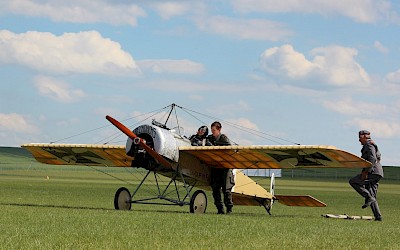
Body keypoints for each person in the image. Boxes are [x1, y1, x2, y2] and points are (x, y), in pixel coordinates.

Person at [349, 130, 384, 221]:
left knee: (353, 181)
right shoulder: (373, 144)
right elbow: (379, 157)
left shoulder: (369, 145)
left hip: (372, 172)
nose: (359, 140)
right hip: (378, 172)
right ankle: (378, 217)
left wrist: (366, 172)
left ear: (365, 136)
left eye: (360, 137)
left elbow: (372, 159)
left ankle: (368, 197)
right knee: (372, 195)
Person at [206, 121, 235, 214]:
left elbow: (228, 150)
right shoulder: (209, 138)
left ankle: (229, 209)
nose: (212, 132)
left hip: (225, 168)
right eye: (211, 130)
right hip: (215, 168)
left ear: (219, 130)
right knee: (215, 189)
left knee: (226, 190)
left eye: (214, 130)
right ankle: (220, 209)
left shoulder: (224, 138)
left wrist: (215, 147)